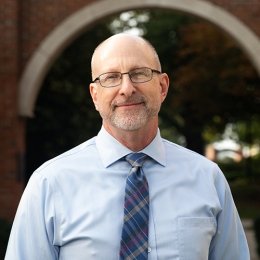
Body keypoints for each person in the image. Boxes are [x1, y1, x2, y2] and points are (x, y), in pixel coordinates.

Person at [5, 33, 250, 259]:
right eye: (111, 78)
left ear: (162, 87)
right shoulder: (50, 183)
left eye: (140, 73)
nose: (126, 89)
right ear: (94, 95)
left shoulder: (207, 178)